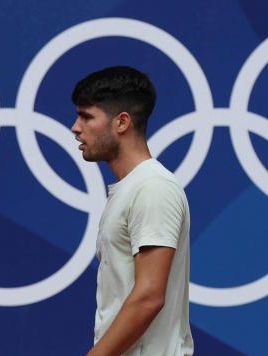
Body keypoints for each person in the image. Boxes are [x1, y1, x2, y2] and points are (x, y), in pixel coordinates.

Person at [70, 66, 194, 356]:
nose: (76, 127)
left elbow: (149, 296)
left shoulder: (152, 187)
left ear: (122, 122)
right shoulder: (132, 188)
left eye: (87, 117)